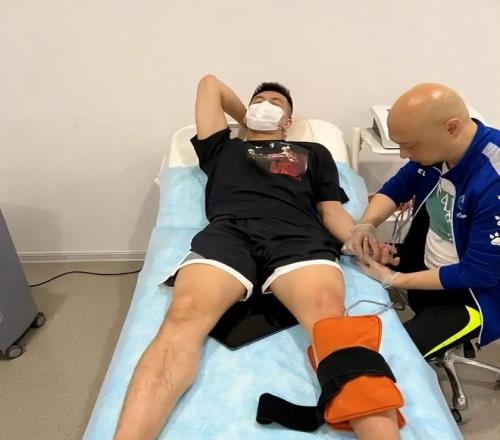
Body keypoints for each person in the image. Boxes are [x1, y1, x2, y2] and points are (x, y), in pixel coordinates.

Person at [114, 75, 404, 440]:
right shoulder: (222, 148)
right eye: (259, 101)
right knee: (183, 317)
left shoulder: (313, 152)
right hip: (229, 234)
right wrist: (247, 122)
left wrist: (361, 240)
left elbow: (330, 211)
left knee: (332, 323)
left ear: (288, 121)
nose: (265, 105)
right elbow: (210, 86)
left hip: (298, 236)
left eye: (276, 104)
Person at [345, 83, 500, 360]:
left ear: (451, 127)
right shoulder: (440, 152)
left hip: (474, 293)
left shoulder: (492, 179)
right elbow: (397, 188)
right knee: (348, 258)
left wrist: (395, 279)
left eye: (409, 145)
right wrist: (366, 225)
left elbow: (479, 273)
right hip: (430, 261)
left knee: (388, 360)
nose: (403, 154)